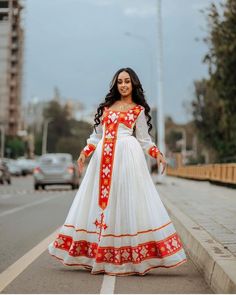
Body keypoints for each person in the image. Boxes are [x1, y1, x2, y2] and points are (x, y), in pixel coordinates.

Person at [48, 67, 187, 276]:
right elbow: (96, 136)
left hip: (128, 159)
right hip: (102, 160)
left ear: (133, 85)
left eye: (127, 81)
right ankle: (99, 253)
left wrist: (157, 153)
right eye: (120, 81)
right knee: (99, 204)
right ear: (115, 84)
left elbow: (144, 140)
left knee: (126, 203)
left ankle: (129, 256)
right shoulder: (106, 108)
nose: (123, 85)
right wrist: (85, 153)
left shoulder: (138, 110)